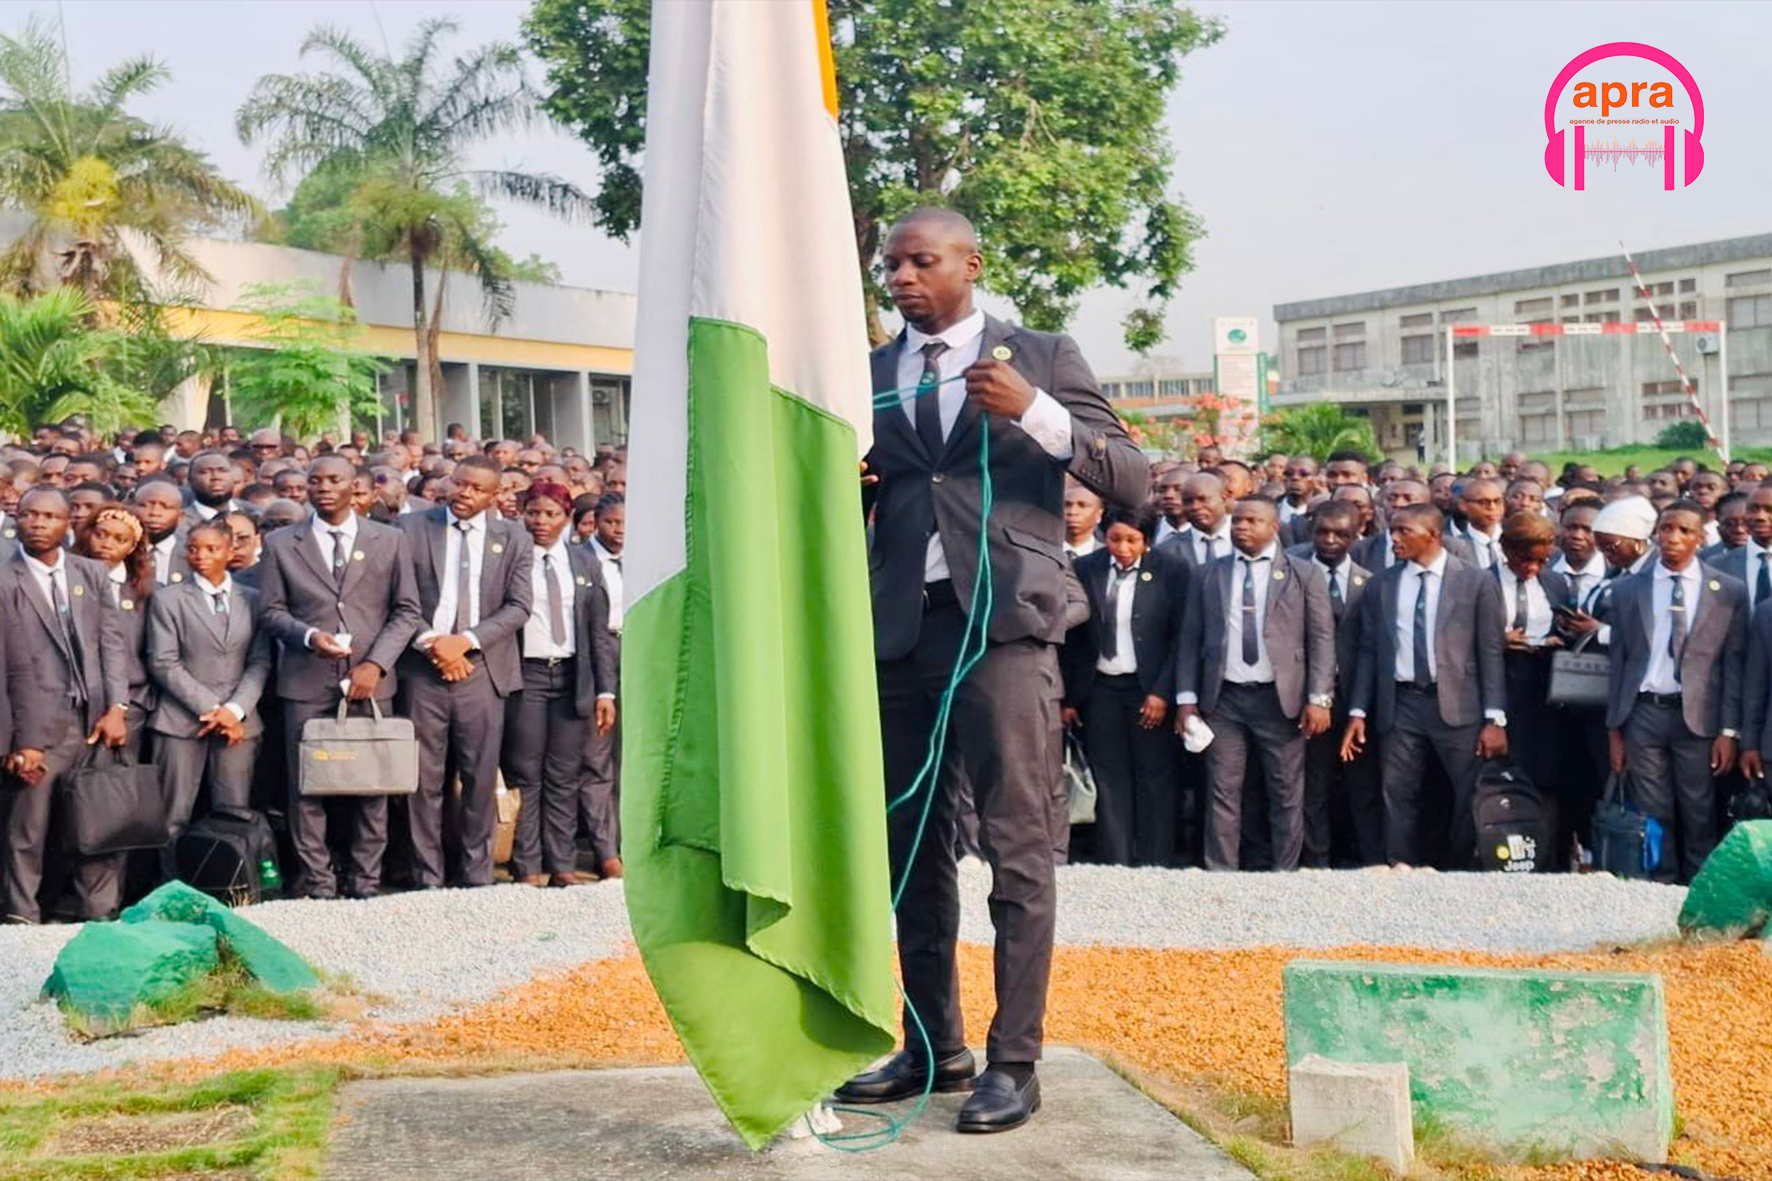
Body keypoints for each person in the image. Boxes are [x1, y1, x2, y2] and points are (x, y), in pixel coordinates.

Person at [840, 207, 1146, 1131]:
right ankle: (933, 1043)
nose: (899, 277)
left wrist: (1037, 414)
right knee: (911, 849)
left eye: (919, 261)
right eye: (890, 264)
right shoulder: (868, 374)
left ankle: (1016, 1060)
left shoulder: (1042, 354)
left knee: (1017, 846)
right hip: (899, 633)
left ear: (970, 264)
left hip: (1004, 631)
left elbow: (1132, 476)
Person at [257, 454, 422, 900]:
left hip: (371, 683)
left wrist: (375, 664)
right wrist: (309, 636)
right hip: (306, 680)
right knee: (307, 786)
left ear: (356, 487)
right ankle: (318, 882)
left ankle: (365, 881)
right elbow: (271, 612)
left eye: (335, 480)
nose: (324, 487)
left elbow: (407, 611)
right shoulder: (281, 543)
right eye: (316, 481)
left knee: (373, 783)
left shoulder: (388, 539)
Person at [1340, 504, 1508, 868]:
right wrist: (1358, 710)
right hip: (1400, 703)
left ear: (1432, 535)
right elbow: (1370, 649)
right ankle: (1400, 864)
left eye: (1403, 531)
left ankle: (1463, 866)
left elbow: (1490, 652)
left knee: (1467, 793)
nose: (1394, 539)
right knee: (1397, 791)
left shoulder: (1476, 581)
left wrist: (1495, 718)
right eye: (1392, 531)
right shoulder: (1382, 583)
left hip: (1459, 706)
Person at [396, 454, 533, 890]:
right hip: (423, 667)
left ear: (495, 496)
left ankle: (477, 878)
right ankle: (427, 878)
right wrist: (436, 644)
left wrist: (466, 641)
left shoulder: (513, 537)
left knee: (478, 779)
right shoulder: (412, 528)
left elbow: (519, 607)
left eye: (476, 489)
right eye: (459, 484)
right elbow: (400, 599)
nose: (464, 494)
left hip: (482, 670)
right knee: (424, 781)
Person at [1176, 497, 1333, 871]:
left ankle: (1285, 872)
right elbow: (1189, 638)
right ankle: (1222, 873)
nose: (1241, 527)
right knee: (1223, 790)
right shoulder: (1208, 574)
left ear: (1274, 526)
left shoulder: (1304, 574)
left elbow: (1322, 640)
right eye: (1237, 521)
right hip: (1224, 699)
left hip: (1280, 700)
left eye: (1252, 521)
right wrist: (1185, 699)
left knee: (1285, 791)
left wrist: (1319, 698)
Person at [1, 488, 130, 923]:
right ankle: (22, 917)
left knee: (98, 820)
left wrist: (117, 707)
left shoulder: (89, 572)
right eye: (29, 514)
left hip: (94, 720)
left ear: (68, 523)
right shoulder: (5, 575)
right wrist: (22, 738)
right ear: (16, 519)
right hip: (37, 724)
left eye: (49, 516)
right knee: (28, 830)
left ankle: (99, 915)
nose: (38, 523)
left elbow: (112, 644)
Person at [1604, 501, 1744, 883]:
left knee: (1698, 808)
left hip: (1698, 715)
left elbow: (1732, 665)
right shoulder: (1629, 589)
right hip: (1644, 712)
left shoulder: (1727, 591)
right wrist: (1614, 728)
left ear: (1700, 538)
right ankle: (1660, 886)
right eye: (1666, 529)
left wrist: (1729, 731)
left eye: (1683, 531)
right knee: (1652, 809)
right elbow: (1619, 662)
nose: (1673, 538)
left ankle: (1698, 887)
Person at [500, 482, 618, 888]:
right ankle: (527, 864)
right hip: (527, 673)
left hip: (571, 675)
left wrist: (606, 691)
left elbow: (598, 632)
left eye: (551, 514)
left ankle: (563, 862)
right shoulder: (512, 557)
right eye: (533, 512)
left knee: (565, 774)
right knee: (527, 772)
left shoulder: (583, 562)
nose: (541, 522)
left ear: (567, 518)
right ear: (522, 514)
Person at [145, 519, 273, 877]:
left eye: (212, 548)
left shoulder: (252, 599)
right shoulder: (167, 599)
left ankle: (230, 888)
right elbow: (163, 662)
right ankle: (171, 891)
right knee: (173, 815)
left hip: (239, 723)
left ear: (231, 551)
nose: (200, 556)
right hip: (179, 721)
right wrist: (211, 709)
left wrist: (234, 711)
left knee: (233, 813)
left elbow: (260, 661)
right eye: (193, 548)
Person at [1061, 504, 1184, 866]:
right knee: (1109, 775)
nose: (1123, 548)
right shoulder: (1086, 568)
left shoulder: (1172, 571)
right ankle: (1115, 859)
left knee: (1154, 774)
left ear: (1147, 539)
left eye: (1133, 540)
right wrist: (1070, 697)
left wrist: (1162, 692)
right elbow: (1078, 639)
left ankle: (1155, 859)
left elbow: (1181, 638)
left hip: (1149, 688)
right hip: (1100, 688)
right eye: (1115, 539)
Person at [1301, 500, 1382, 867]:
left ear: (1357, 534)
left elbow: (1371, 648)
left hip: (1355, 700)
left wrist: (1360, 705)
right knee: (1313, 786)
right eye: (1323, 532)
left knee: (1362, 787)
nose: (1330, 540)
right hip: (1305, 701)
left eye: (1341, 534)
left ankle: (1369, 861)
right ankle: (1317, 862)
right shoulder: (1295, 573)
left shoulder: (1370, 582)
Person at [1496, 512, 1570, 822]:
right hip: (1502, 682)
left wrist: (1559, 637)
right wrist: (1496, 641)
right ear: (1507, 550)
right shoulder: (1482, 581)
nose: (1533, 569)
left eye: (1541, 561)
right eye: (1526, 560)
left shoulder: (1554, 581)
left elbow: (1563, 624)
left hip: (1543, 685)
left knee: (1546, 770)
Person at [582, 491, 626, 877]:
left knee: (630, 758)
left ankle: (631, 843)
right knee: (598, 759)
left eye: (627, 524)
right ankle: (604, 849)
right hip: (597, 656)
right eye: (612, 522)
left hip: (635, 650)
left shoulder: (639, 560)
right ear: (596, 521)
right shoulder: (581, 559)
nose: (620, 531)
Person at [1159, 471, 1233, 568]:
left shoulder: (1250, 541)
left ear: (1223, 499)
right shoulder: (1166, 550)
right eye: (1188, 501)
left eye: (1203, 499)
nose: (1195, 507)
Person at [133, 478, 191, 584]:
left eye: (166, 507)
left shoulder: (191, 555)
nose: (155, 513)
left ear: (180, 516)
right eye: (145, 506)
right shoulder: (121, 552)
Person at [1453, 477, 1505, 570]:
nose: (1492, 507)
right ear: (1463, 505)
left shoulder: (1518, 541)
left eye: (1497, 501)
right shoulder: (1454, 549)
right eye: (1483, 502)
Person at [1061, 478, 1103, 558]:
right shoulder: (1042, 552)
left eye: (1082, 505)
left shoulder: (1109, 557)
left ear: (1099, 514)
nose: (1072, 512)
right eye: (1067, 505)